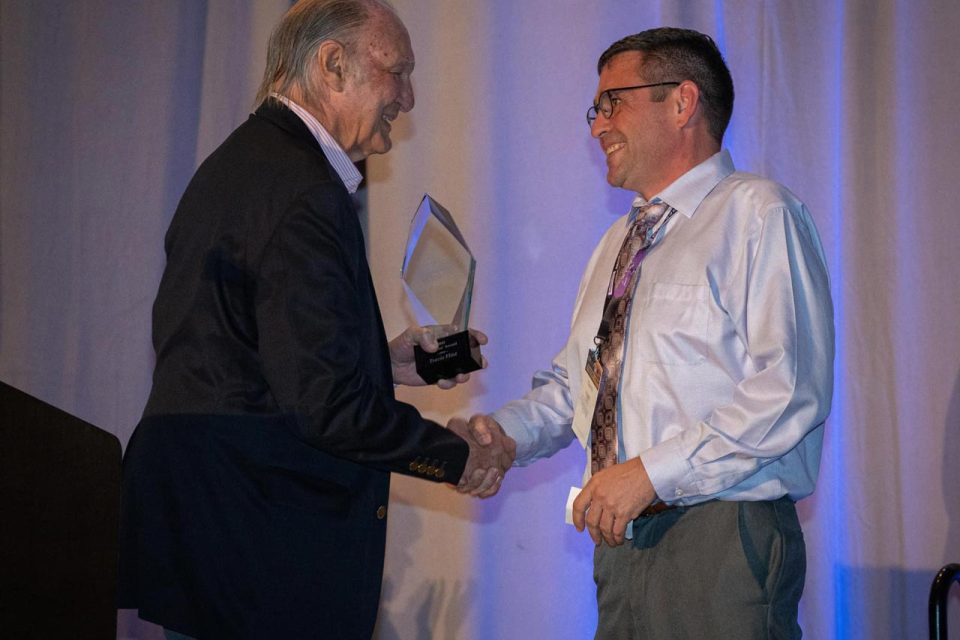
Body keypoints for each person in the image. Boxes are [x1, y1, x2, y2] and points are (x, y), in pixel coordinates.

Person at [118, 1, 514, 638]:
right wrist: (454, 455)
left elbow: (243, 349)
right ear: (334, 65)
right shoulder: (303, 188)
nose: (409, 98)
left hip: (220, 525)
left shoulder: (243, 162)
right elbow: (325, 407)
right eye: (399, 72)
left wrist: (379, 362)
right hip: (258, 537)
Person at [470, 27, 834, 639]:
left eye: (612, 102)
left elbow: (789, 390)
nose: (597, 125)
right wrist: (501, 437)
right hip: (621, 542)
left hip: (721, 537)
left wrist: (647, 475)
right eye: (596, 108)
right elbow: (578, 384)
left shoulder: (758, 213)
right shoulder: (620, 241)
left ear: (682, 101)